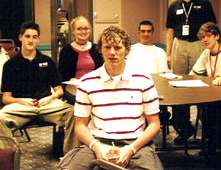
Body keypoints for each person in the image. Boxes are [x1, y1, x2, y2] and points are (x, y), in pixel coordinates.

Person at [58, 25, 163, 170]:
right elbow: (80, 125)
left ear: (127, 49)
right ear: (100, 49)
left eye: (118, 48)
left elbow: (154, 124)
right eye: (107, 47)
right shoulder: (87, 82)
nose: (112, 52)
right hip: (97, 141)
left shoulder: (143, 79)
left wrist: (131, 149)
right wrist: (96, 147)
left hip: (135, 142)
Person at [0, 21, 79, 155]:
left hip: (47, 105)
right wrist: (22, 101)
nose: (31, 40)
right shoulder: (10, 65)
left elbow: (59, 91)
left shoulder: (48, 61)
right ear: (21, 38)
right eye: (27, 36)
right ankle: (10, 157)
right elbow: (6, 99)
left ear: (39, 39)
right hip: (22, 107)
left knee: (75, 113)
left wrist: (51, 98)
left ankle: (71, 156)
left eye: (34, 37)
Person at [166, 0, 217, 143]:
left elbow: (212, 27)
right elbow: (170, 30)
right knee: (179, 85)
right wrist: (168, 53)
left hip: (198, 44)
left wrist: (210, 47)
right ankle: (184, 128)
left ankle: (208, 128)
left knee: (200, 84)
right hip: (179, 45)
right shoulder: (174, 5)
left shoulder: (204, 3)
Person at [189, 22, 221, 151]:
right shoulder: (206, 53)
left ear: (217, 36)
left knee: (212, 111)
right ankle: (210, 143)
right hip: (213, 93)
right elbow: (194, 72)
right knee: (205, 107)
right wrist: (186, 81)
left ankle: (219, 145)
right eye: (203, 37)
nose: (205, 40)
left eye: (208, 36)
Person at [58, 16, 102, 104]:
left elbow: (102, 70)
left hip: (94, 85)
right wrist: (70, 80)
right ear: (73, 31)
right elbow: (61, 74)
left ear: (90, 30)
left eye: (86, 28)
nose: (83, 32)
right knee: (84, 99)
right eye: (79, 29)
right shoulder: (66, 51)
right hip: (74, 88)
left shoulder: (97, 49)